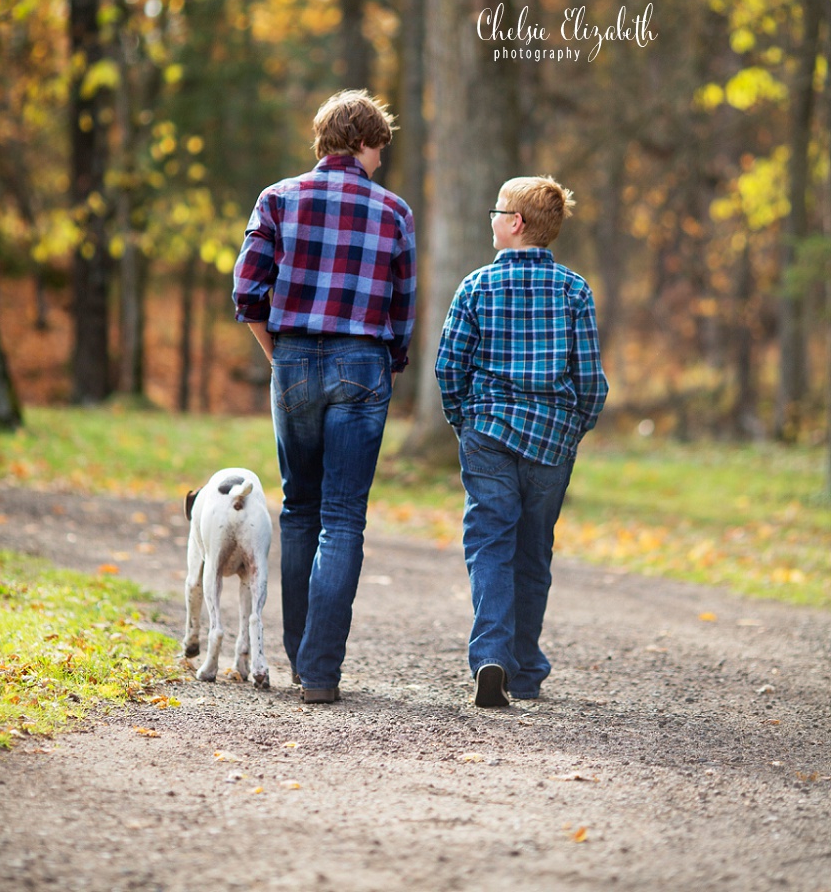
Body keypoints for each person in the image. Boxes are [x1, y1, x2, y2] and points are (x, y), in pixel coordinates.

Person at [232, 90, 416, 703]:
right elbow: (401, 308)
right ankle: (321, 670)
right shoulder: (394, 212)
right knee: (343, 517)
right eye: (379, 149)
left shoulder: (278, 198)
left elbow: (247, 291)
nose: (381, 162)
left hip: (296, 360)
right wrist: (389, 363)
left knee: (301, 509)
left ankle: (299, 658)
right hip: (364, 361)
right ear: (364, 142)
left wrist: (278, 355)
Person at [435, 175, 608, 708]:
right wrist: (572, 426)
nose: (491, 217)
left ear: (515, 223)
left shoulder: (476, 286)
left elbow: (448, 368)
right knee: (534, 552)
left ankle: (492, 656)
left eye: (496, 210)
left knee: (489, 542)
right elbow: (591, 382)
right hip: (551, 438)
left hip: (487, 431)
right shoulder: (574, 290)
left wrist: (465, 422)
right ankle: (527, 672)